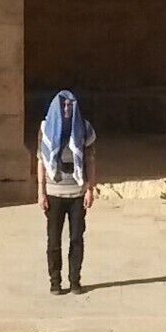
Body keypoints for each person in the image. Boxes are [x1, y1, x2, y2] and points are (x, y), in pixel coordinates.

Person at [35, 90, 99, 295]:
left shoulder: (84, 128)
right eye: (63, 105)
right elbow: (41, 161)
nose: (66, 109)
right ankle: (55, 281)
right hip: (54, 192)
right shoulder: (46, 129)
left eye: (69, 106)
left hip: (77, 193)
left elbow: (89, 160)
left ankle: (75, 281)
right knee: (53, 240)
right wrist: (40, 191)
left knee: (76, 238)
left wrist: (90, 188)